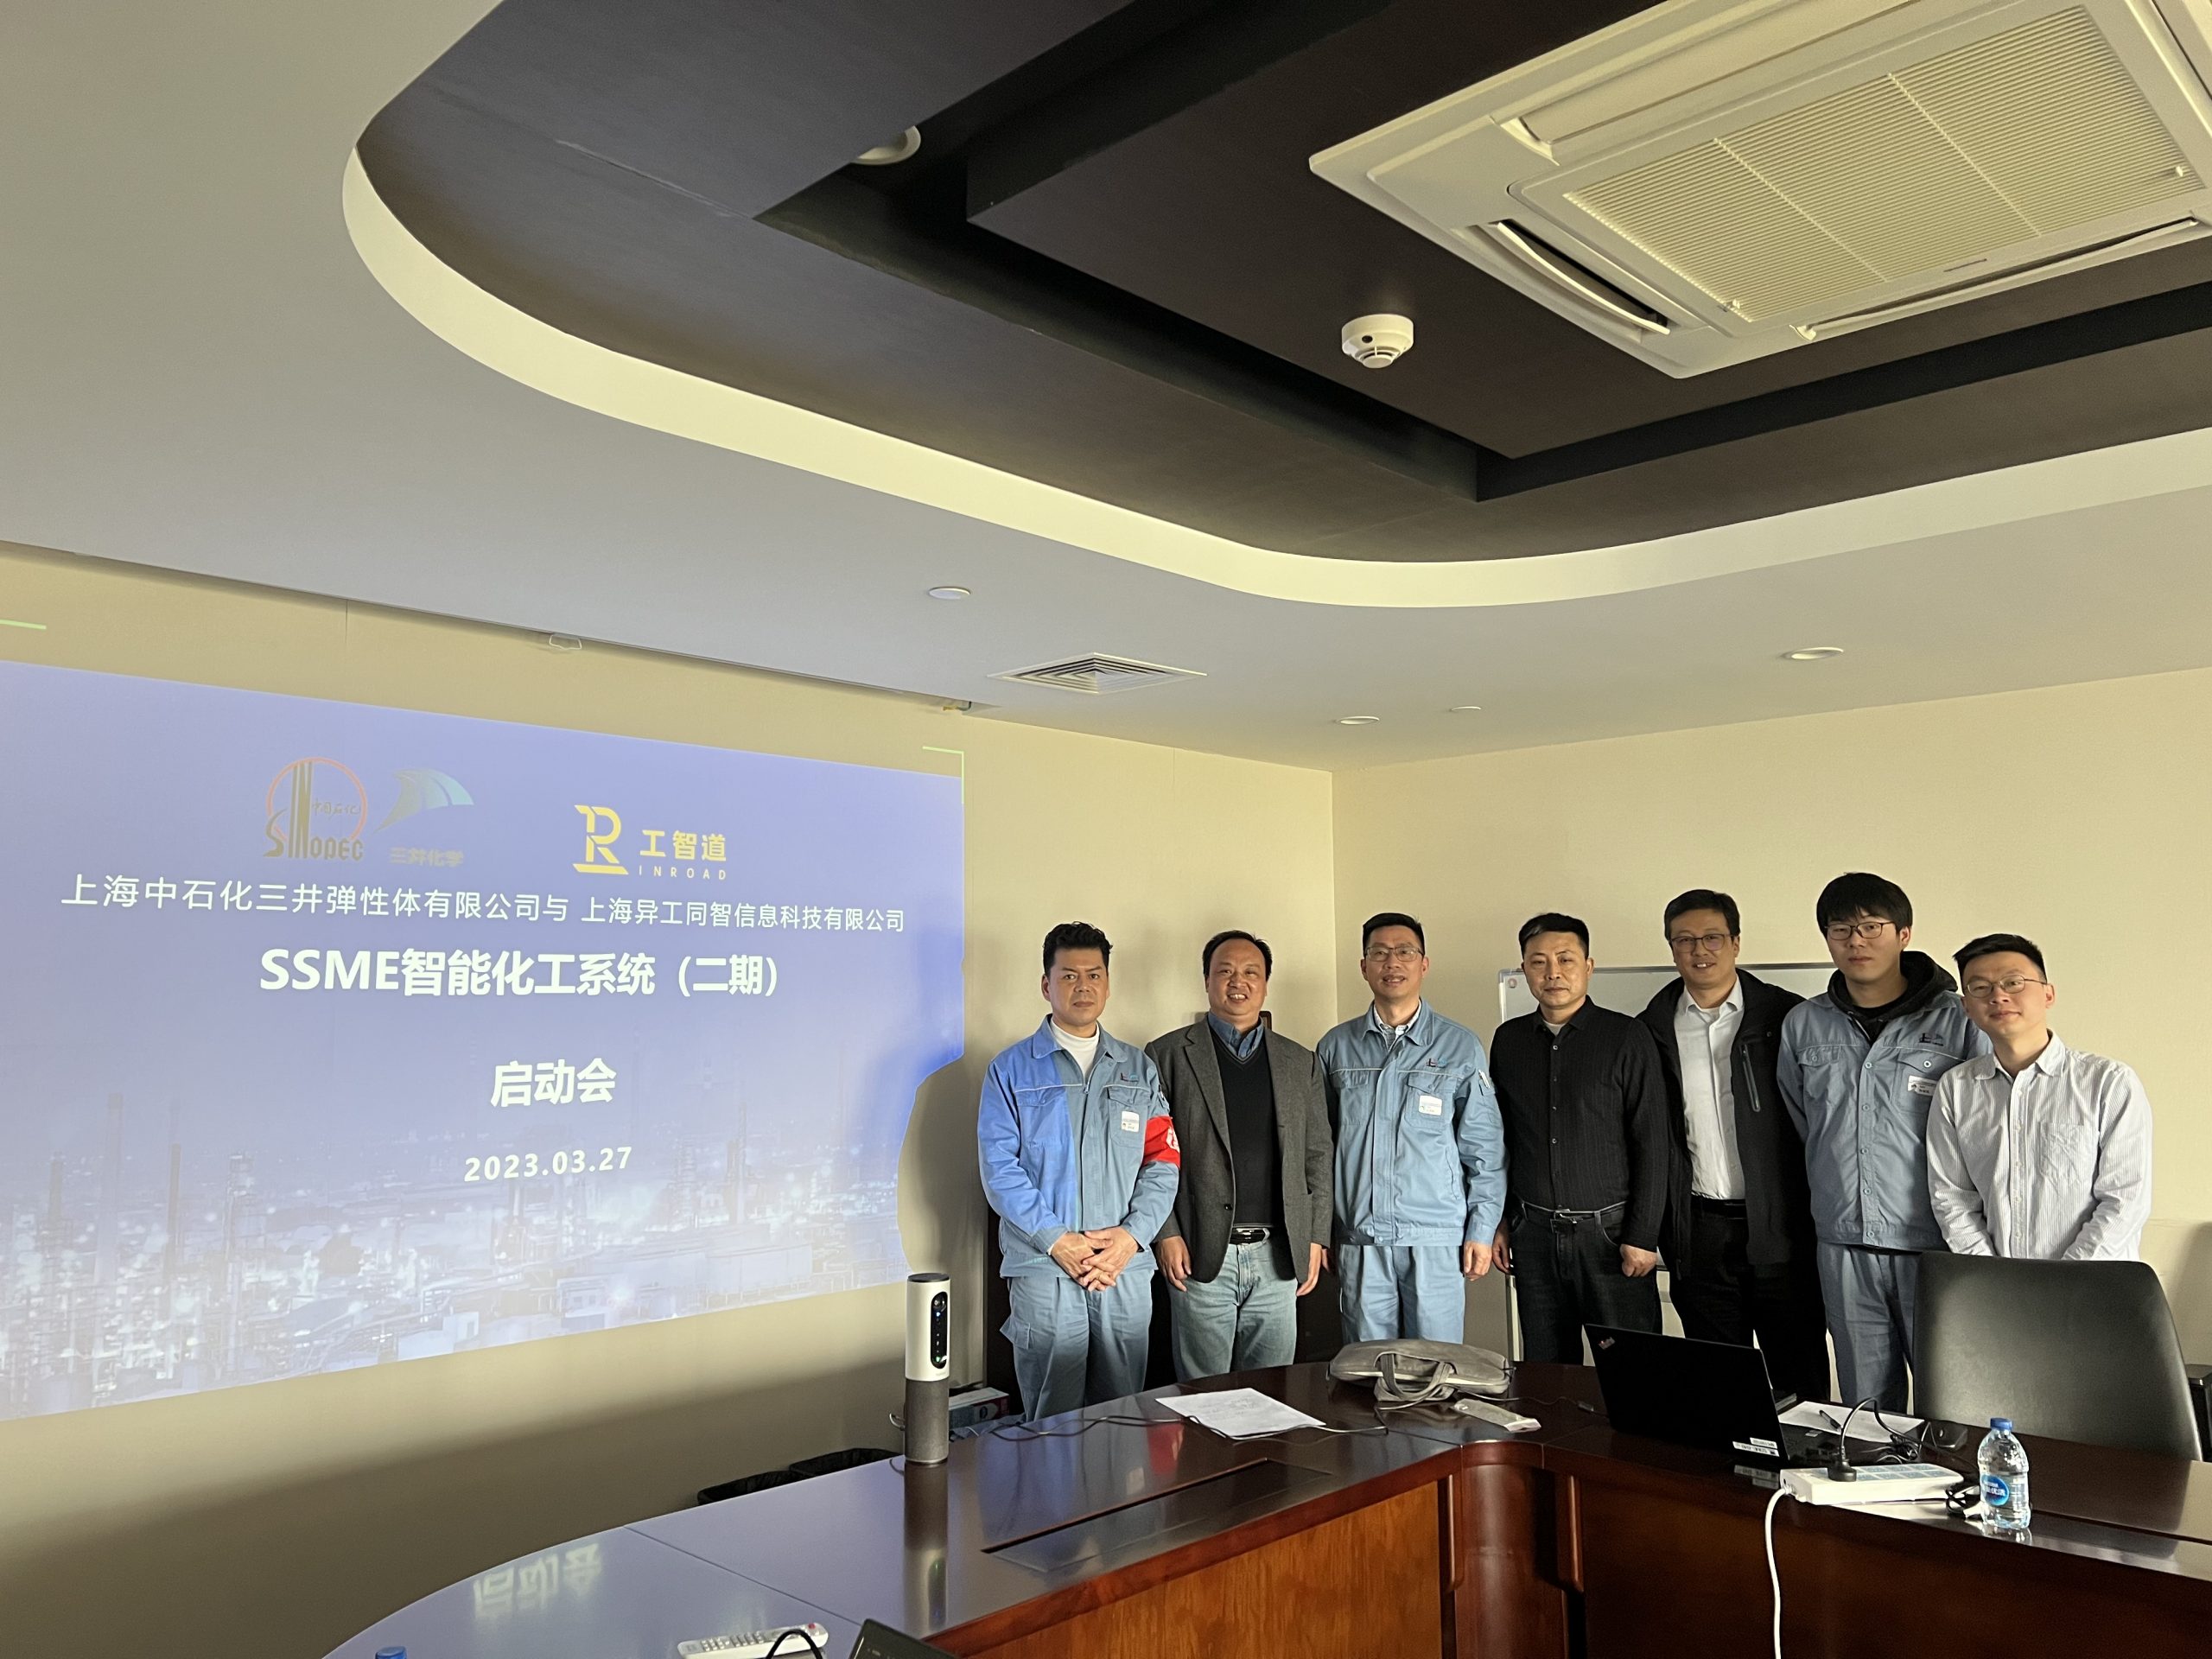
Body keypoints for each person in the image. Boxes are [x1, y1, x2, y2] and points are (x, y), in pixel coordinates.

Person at [1777, 873, 1986, 1413]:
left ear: (1903, 934)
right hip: (1843, 1243)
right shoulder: (1804, 1024)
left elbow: (1985, 1132)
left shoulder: (1959, 1021)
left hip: (1936, 1248)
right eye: (1841, 929)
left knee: (1953, 1405)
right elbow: (1806, 1125)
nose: (1857, 941)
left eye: (1872, 926)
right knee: (1866, 1410)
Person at [977, 921, 1181, 1421]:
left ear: (1108, 985)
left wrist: (1131, 1239)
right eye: (1069, 976)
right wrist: (1056, 1240)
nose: (1082, 986)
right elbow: (999, 1168)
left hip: (1121, 1269)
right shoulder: (1010, 1070)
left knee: (1123, 1413)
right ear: (1046, 985)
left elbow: (1163, 1162)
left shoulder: (1138, 1068)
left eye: (1094, 975)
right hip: (1045, 1268)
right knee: (1052, 1418)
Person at [1637, 890, 1828, 1402]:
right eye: (1684, 940)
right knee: (1719, 1385)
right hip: (1699, 1233)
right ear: (1671, 948)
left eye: (1712, 937)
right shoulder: (1650, 1029)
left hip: (1781, 1229)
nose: (1699, 950)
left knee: (1800, 1382)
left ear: (1736, 942)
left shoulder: (1788, 1016)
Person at [1147, 931, 1333, 1380]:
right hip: (1199, 1251)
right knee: (1203, 1393)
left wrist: (1314, 1237)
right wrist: (1166, 1234)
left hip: (1279, 1256)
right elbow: (1151, 1155)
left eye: (1251, 972)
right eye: (1225, 971)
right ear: (1206, 980)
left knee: (1273, 1390)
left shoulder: (1300, 1061)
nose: (1238, 981)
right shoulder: (1167, 1055)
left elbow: (1318, 1155)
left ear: (1265, 984)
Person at [1316, 912, 1504, 1344]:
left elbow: (1484, 1149)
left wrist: (1481, 1229)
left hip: (1436, 1241)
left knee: (1435, 1366)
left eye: (1404, 952)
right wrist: (1320, 1234)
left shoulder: (1459, 1046)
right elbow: (1319, 1151)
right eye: (1379, 953)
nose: (1392, 963)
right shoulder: (1335, 1048)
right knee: (1369, 1367)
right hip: (1360, 1239)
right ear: (1364, 966)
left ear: (1424, 964)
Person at [1491, 913, 1669, 1362]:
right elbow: (1500, 1139)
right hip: (1533, 1235)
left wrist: (1643, 1235)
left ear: (1588, 966)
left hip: (1610, 1237)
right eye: (1539, 962)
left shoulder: (1627, 1036)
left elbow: (1652, 1142)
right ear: (1524, 970)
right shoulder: (1509, 1040)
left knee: (1633, 1371)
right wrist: (1500, 1221)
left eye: (1566, 959)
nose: (1553, 973)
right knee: (1548, 1374)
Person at [1927, 934, 2152, 1261]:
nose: (1998, 996)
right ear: (1967, 1007)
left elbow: (2125, 1199)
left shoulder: (2108, 1082)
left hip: (2093, 1283)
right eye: (1980, 987)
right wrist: (1991, 1275)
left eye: (2013, 982)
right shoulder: (1955, 1088)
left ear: (2048, 994)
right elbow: (1952, 1197)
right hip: (1995, 1284)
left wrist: (2063, 1279)